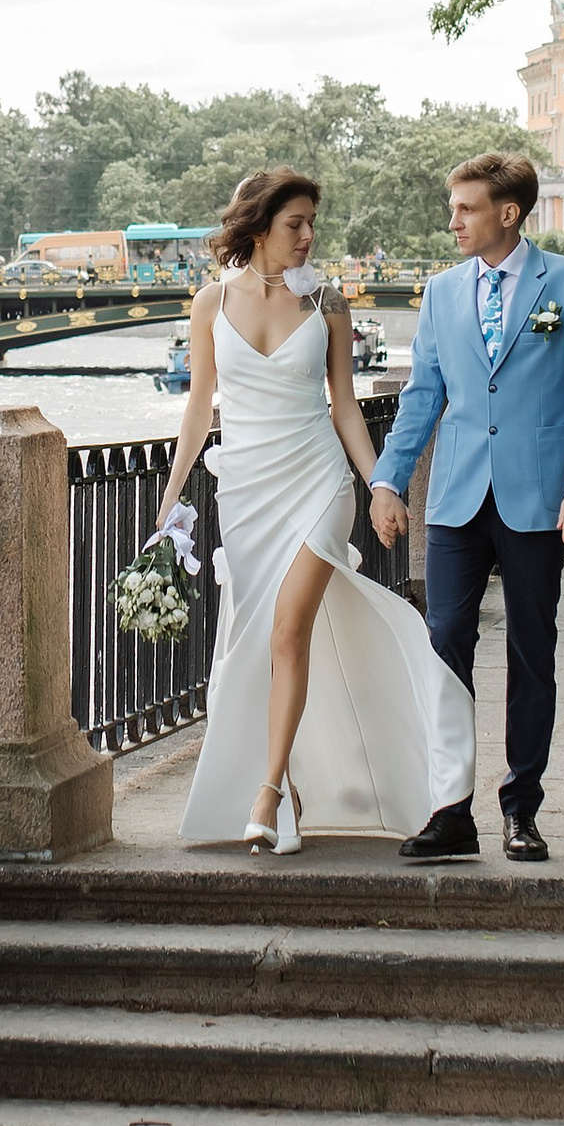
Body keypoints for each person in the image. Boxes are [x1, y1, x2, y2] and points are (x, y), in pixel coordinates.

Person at [157, 168, 473, 854]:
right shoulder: (210, 303)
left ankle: (267, 794)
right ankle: (291, 784)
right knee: (256, 643)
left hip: (319, 485)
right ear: (260, 226)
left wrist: (380, 485)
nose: (306, 237)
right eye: (294, 223)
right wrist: (173, 488)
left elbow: (346, 408)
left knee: (287, 632)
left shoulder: (328, 303)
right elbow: (198, 407)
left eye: (311, 225)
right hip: (245, 495)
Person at [368, 151, 564, 866]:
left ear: (507, 214)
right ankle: (450, 810)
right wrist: (387, 481)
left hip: (539, 497)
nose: (452, 221)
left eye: (466, 208)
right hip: (455, 496)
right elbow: (422, 396)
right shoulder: (442, 292)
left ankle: (521, 810)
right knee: (445, 637)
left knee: (530, 649)